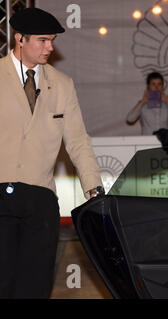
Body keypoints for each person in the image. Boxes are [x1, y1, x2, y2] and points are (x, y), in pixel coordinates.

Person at [0, 8, 103, 298]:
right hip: (0, 192)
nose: (51, 47)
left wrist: (93, 187)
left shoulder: (62, 84)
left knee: (36, 285)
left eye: (52, 40)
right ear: (20, 39)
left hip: (41, 199)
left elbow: (78, 140)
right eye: (43, 40)